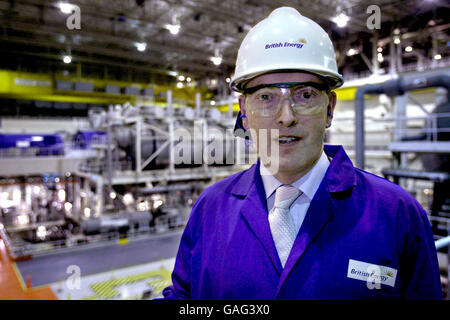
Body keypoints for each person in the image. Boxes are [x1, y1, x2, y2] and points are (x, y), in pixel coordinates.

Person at [160, 7, 442, 299]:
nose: (285, 117)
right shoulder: (210, 208)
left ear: (330, 109)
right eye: (266, 97)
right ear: (244, 113)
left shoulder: (398, 215)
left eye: (305, 95)